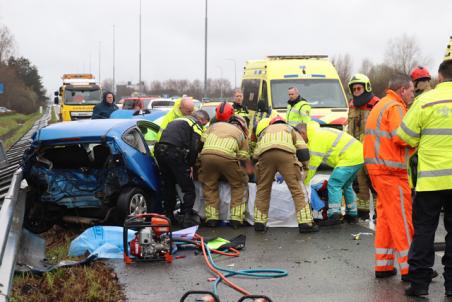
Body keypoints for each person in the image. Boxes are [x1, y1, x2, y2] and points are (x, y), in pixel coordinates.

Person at [398, 45, 452, 297]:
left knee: (425, 231)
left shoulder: (424, 101)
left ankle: (419, 284)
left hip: (430, 181)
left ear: (439, 77)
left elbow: (404, 136)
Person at [363, 75, 415, 280]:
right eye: (411, 91)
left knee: (385, 217)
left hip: (378, 170)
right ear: (402, 90)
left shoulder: (381, 105)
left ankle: (383, 265)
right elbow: (401, 137)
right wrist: (418, 139)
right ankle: (411, 268)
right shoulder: (396, 107)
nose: (412, 95)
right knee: (402, 219)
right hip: (391, 171)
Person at [253, 116, 317, 233]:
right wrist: (304, 167)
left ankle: (259, 223)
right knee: (297, 189)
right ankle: (305, 223)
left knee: (263, 190)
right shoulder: (289, 129)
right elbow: (303, 150)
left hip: (265, 156)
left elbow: (255, 154)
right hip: (286, 155)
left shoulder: (264, 132)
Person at [154, 110, 210, 228]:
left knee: (169, 186)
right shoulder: (195, 124)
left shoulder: (175, 120)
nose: (203, 127)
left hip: (159, 151)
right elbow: (195, 146)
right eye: (204, 124)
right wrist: (190, 164)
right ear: (201, 119)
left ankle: (168, 216)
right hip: (174, 153)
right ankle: (185, 217)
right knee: (189, 189)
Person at [299, 122, 363, 225]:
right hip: (357, 155)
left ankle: (334, 215)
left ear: (302, 133)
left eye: (299, 138)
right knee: (346, 186)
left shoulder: (315, 139)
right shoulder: (317, 133)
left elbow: (312, 166)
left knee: (334, 184)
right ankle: (352, 214)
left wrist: (304, 182)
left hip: (349, 158)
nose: (300, 141)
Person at [198, 115, 249, 229]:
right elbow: (243, 158)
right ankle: (236, 219)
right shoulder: (240, 134)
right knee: (238, 185)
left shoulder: (214, 126)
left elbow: (201, 141)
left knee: (210, 186)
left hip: (207, 155)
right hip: (227, 158)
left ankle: (212, 219)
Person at [347, 74, 380, 217]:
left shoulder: (377, 104)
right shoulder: (352, 105)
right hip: (356, 151)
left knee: (375, 184)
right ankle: (363, 213)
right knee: (359, 184)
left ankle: (379, 213)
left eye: (359, 88)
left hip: (373, 151)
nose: (356, 91)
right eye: (354, 89)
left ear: (366, 87)